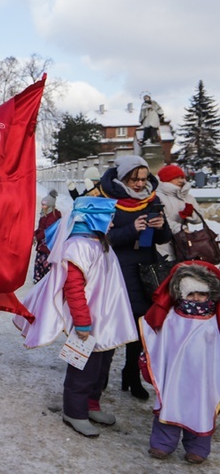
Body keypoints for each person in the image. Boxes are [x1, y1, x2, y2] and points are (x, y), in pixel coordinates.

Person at [15, 197, 138, 437]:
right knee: (81, 369)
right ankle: (74, 411)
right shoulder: (77, 247)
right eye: (109, 220)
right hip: (85, 323)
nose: (112, 225)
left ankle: (92, 405)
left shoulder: (99, 243)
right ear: (93, 219)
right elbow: (73, 288)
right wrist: (82, 322)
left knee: (102, 367)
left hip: (106, 321)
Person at [99, 155, 172, 400]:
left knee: (141, 325)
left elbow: (164, 239)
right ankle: (101, 375)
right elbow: (103, 239)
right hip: (118, 269)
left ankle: (131, 374)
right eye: (134, 179)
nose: (140, 184)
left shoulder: (153, 199)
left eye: (143, 178)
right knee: (117, 322)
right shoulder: (107, 200)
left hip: (146, 270)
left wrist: (161, 226)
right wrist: (133, 229)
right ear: (122, 178)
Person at [140, 262, 220, 464]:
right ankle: (163, 444)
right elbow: (160, 342)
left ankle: (197, 448)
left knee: (201, 408)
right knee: (170, 403)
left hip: (204, 379)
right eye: (191, 294)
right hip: (175, 375)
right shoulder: (172, 319)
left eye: (201, 295)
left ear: (210, 294)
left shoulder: (213, 321)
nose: (196, 299)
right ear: (181, 293)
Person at [155, 164, 202, 260]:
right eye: (176, 178)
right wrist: (181, 229)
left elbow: (199, 218)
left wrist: (190, 214)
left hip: (184, 243)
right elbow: (163, 219)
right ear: (166, 179)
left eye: (182, 177)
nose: (180, 181)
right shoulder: (158, 197)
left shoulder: (187, 196)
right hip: (164, 243)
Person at [33, 190, 62, 283]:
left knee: (46, 263)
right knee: (39, 262)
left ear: (50, 206)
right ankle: (38, 278)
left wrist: (37, 237)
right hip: (42, 245)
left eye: (44, 205)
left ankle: (46, 280)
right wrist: (33, 234)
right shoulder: (44, 215)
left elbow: (47, 231)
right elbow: (41, 228)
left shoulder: (52, 217)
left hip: (48, 245)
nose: (42, 207)